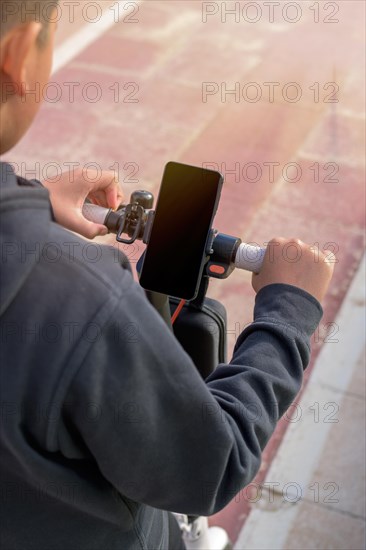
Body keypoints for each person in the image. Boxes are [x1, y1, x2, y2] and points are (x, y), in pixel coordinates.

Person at [0, 2, 335, 549]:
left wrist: (28, 201)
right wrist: (289, 310)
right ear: (18, 55)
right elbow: (211, 465)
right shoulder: (76, 298)